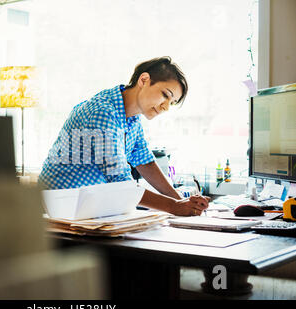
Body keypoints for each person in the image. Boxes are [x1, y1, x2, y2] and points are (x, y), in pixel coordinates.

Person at [38, 57, 209, 216]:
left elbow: (144, 160)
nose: (165, 107)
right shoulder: (103, 112)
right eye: (165, 95)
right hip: (60, 209)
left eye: (171, 103)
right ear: (143, 80)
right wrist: (174, 207)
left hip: (87, 210)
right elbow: (120, 183)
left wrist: (180, 200)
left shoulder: (132, 117)